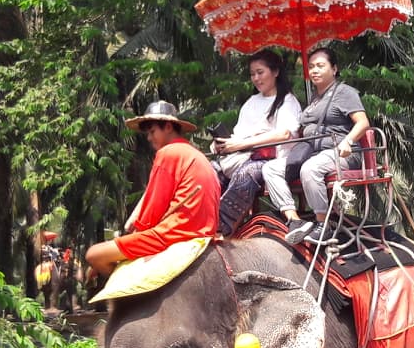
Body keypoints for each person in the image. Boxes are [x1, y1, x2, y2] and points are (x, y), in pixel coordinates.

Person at [86, 101, 220, 276]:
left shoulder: (168, 153)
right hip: (204, 232)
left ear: (169, 127)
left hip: (176, 234)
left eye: (152, 131)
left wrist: (137, 231)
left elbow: (154, 207)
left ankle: (126, 293)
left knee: (94, 254)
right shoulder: (195, 153)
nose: (149, 138)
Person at [262, 48, 369, 244]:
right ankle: (294, 220)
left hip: (342, 153)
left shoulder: (344, 92)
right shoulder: (315, 97)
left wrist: (348, 141)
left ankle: (323, 224)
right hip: (314, 152)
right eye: (311, 67)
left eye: (320, 66)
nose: (314, 71)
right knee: (270, 169)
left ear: (334, 69)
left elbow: (363, 122)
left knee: (309, 169)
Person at [211, 50, 302, 235]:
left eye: (260, 72)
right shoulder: (251, 102)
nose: (256, 78)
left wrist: (242, 144)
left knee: (247, 173)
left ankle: (223, 227)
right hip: (243, 156)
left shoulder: (287, 101)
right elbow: (238, 134)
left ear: (275, 72)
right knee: (210, 170)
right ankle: (202, 217)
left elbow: (284, 134)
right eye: (252, 74)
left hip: (273, 161)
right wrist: (222, 144)